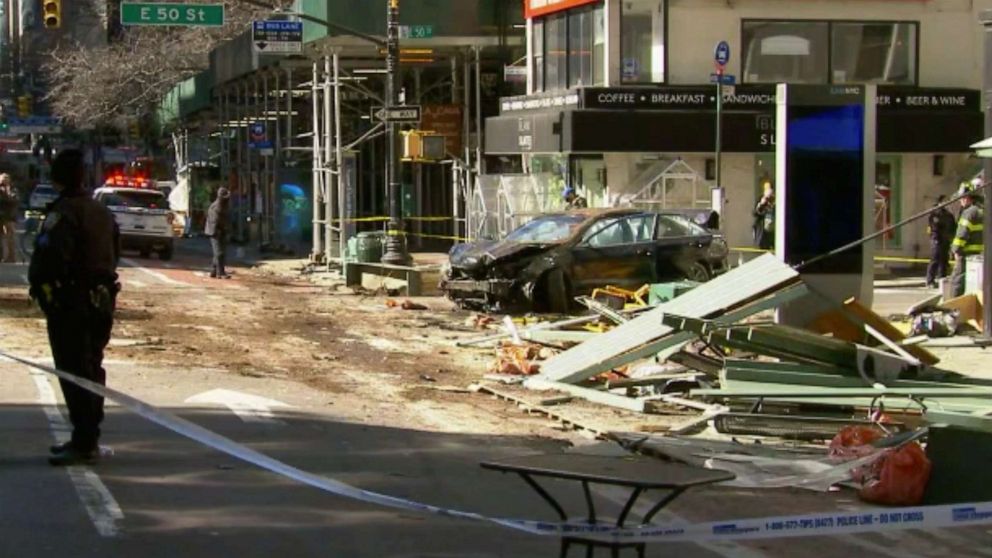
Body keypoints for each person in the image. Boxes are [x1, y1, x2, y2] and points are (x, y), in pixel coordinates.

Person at [28, 149, 120, 466]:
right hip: (102, 300)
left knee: (74, 369)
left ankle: (84, 441)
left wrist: (45, 289)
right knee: (92, 365)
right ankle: (87, 435)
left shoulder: (65, 212)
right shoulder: (101, 212)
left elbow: (52, 256)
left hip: (72, 302)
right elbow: (114, 254)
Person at [949, 180, 984, 297]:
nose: (960, 201)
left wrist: (955, 249)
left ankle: (954, 308)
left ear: (967, 197)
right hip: (979, 255)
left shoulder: (969, 213)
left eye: (961, 198)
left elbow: (961, 234)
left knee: (957, 282)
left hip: (965, 254)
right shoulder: (982, 211)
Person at [926, 195, 956, 289]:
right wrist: (936, 238)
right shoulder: (935, 213)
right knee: (935, 260)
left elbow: (953, 227)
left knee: (944, 261)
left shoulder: (949, 215)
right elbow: (934, 227)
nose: (946, 203)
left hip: (946, 240)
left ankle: (942, 279)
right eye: (944, 202)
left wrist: (951, 238)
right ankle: (930, 281)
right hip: (937, 240)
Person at [205, 187, 231, 279]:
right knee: (219, 252)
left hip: (222, 230)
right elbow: (213, 221)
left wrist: (226, 229)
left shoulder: (224, 206)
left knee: (220, 252)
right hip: (214, 232)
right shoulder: (215, 207)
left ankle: (213, 270)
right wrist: (218, 230)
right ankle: (221, 272)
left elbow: (226, 219)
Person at [0, 174, 18, 262]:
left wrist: (7, 192)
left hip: (9, 216)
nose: (3, 181)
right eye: (2, 179)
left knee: (9, 237)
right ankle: (3, 256)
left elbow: (14, 200)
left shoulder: (12, 189)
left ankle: (11, 256)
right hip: (1, 216)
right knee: (3, 237)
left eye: (6, 179)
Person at [753, 182, 776, 250]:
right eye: (767, 198)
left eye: (770, 198)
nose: (769, 200)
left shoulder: (777, 203)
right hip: (764, 233)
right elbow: (755, 213)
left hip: (774, 233)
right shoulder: (762, 202)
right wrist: (762, 204)